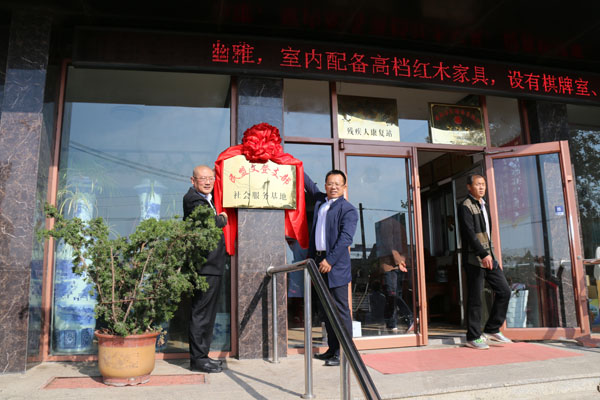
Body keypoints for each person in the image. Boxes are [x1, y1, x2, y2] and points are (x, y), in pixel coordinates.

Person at [305, 169, 358, 366]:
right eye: (330, 183)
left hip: (335, 265)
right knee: (326, 310)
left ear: (344, 187)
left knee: (340, 311)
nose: (333, 187)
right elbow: (309, 185)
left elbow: (346, 238)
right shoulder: (321, 201)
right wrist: (289, 161)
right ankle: (333, 349)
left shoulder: (348, 210)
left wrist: (330, 260)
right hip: (319, 262)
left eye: (337, 184)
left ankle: (345, 353)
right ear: (325, 185)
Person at [457, 174, 512, 350]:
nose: (481, 187)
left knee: (504, 291)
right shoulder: (465, 206)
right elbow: (469, 234)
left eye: (483, 184)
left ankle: (492, 328)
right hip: (474, 259)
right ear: (469, 187)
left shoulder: (484, 205)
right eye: (477, 184)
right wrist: (482, 254)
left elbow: (486, 234)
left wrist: (489, 255)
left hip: (490, 257)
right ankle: (473, 337)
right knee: (475, 298)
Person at [183, 165, 228, 372]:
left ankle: (203, 355)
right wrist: (222, 219)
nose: (208, 182)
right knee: (201, 313)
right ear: (193, 181)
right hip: (204, 267)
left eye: (211, 178)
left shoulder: (208, 199)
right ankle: (198, 360)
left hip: (213, 266)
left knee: (208, 315)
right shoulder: (193, 199)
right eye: (203, 178)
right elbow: (209, 223)